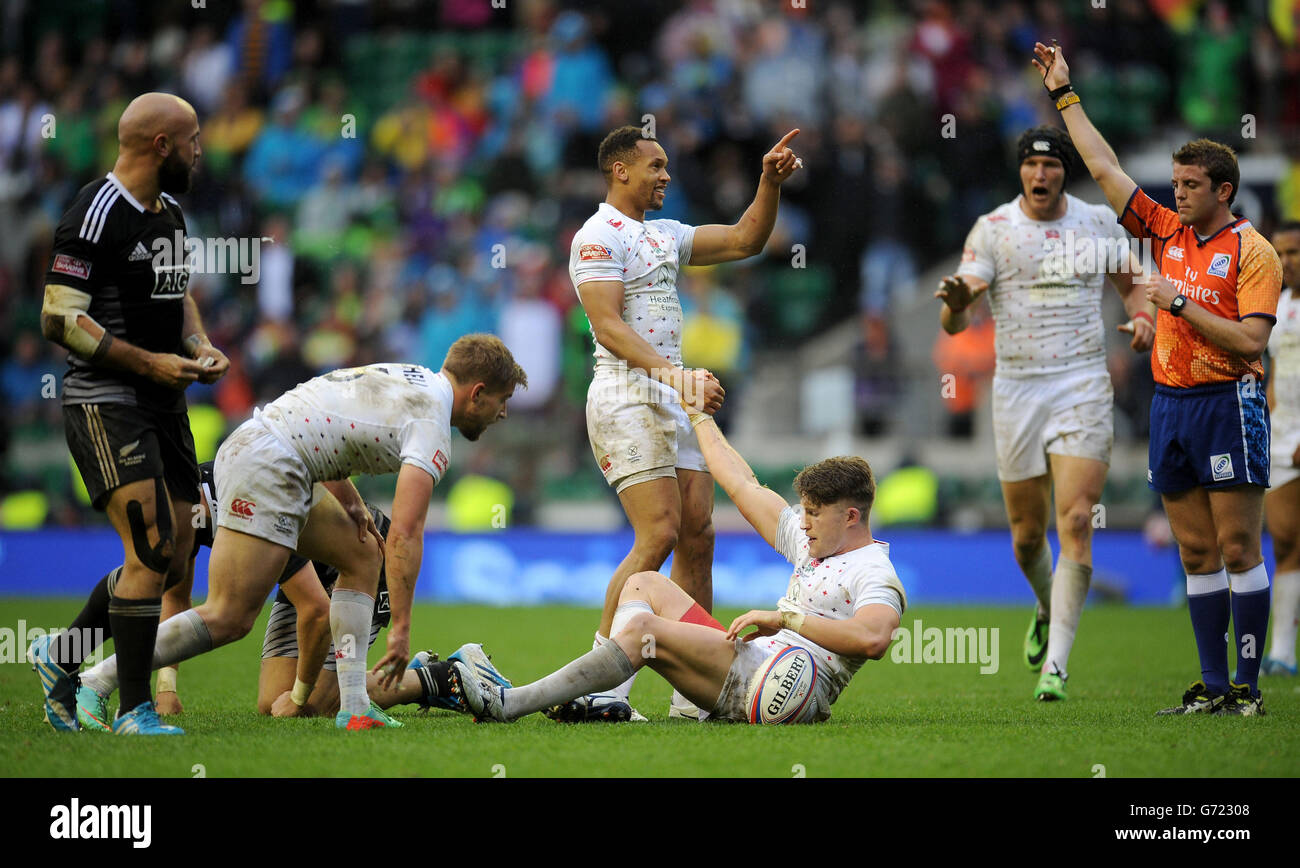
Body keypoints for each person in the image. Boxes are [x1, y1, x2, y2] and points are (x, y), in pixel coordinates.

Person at [63, 335, 527, 731]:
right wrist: (401, 628)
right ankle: (95, 682)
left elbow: (327, 420)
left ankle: (355, 708)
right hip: (270, 465)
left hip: (279, 454)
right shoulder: (432, 426)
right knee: (229, 616)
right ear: (478, 393)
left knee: (363, 554)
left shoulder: (412, 378)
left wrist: (349, 501)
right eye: (503, 401)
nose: (502, 414)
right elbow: (406, 534)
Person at [1032, 41, 1282, 715]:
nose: (1177, 194)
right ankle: (1212, 686)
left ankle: (1250, 689)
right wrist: (1065, 95)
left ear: (1222, 191)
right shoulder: (1167, 231)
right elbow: (1104, 165)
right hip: (1170, 406)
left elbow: (1252, 340)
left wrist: (1175, 303)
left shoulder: (1252, 254)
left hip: (1227, 402)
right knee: (1196, 553)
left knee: (1237, 546)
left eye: (1190, 185)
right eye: (1174, 184)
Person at [450, 408, 905, 726]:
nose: (802, 524)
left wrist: (786, 618)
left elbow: (873, 639)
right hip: (761, 664)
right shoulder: (814, 545)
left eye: (814, 513)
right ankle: (617, 700)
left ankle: (510, 703)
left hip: (786, 685)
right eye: (802, 511)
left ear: (850, 516)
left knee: (645, 630)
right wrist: (699, 416)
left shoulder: (873, 572)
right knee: (645, 584)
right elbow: (741, 483)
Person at [566, 123, 802, 720]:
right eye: (656, 165)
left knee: (699, 533)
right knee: (660, 533)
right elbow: (608, 327)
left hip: (673, 395)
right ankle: (600, 688)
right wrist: (674, 376)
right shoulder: (597, 235)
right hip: (626, 394)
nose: (666, 174)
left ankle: (694, 695)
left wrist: (768, 183)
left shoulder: (665, 235)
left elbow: (748, 239)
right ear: (620, 170)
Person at [31, 92, 230, 735]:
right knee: (149, 550)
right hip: (107, 401)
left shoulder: (170, 213)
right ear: (161, 146)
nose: (202, 150)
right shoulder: (92, 215)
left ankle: (58, 656)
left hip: (166, 402)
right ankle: (134, 710)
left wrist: (196, 343)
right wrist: (149, 363)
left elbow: (179, 295)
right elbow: (59, 316)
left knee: (173, 559)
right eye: (193, 139)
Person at [935, 125, 1156, 701]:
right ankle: (1044, 599)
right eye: (1032, 167)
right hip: (1016, 390)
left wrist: (1145, 319)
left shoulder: (1095, 222)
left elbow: (1133, 283)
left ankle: (1055, 665)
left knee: (1076, 519)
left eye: (1052, 166)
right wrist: (957, 308)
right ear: (1020, 173)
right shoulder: (994, 229)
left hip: (1082, 381)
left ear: (1064, 171)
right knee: (1026, 535)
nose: (1041, 176)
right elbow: (960, 312)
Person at [72, 461, 508, 724]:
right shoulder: (184, 511)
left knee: (313, 704)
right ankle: (412, 675)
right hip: (304, 565)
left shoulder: (247, 506)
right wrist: (165, 687)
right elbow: (177, 599)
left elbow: (316, 610)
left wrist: (300, 696)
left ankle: (441, 677)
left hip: (358, 561)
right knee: (270, 704)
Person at [1264, 222, 1300, 675]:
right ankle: (1283, 653)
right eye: (1280, 253)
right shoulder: (1278, 307)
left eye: (1294, 252)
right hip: (1284, 435)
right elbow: (1275, 374)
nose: (1286, 260)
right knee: (1286, 542)